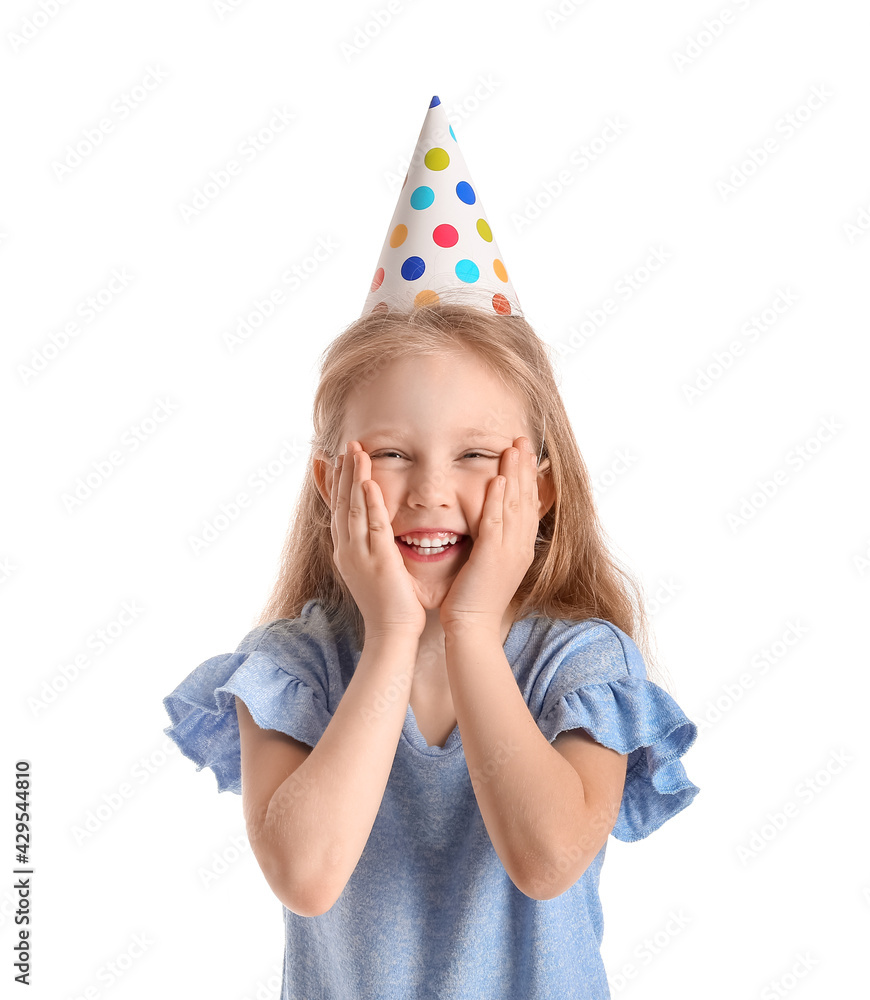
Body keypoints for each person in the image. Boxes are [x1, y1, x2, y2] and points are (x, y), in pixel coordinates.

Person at [163, 96, 699, 1000]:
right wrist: (389, 638)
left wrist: (474, 627)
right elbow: (307, 873)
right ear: (333, 486)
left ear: (541, 488)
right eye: (392, 455)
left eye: (478, 455)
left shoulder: (581, 667)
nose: (430, 491)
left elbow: (546, 858)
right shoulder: (292, 671)